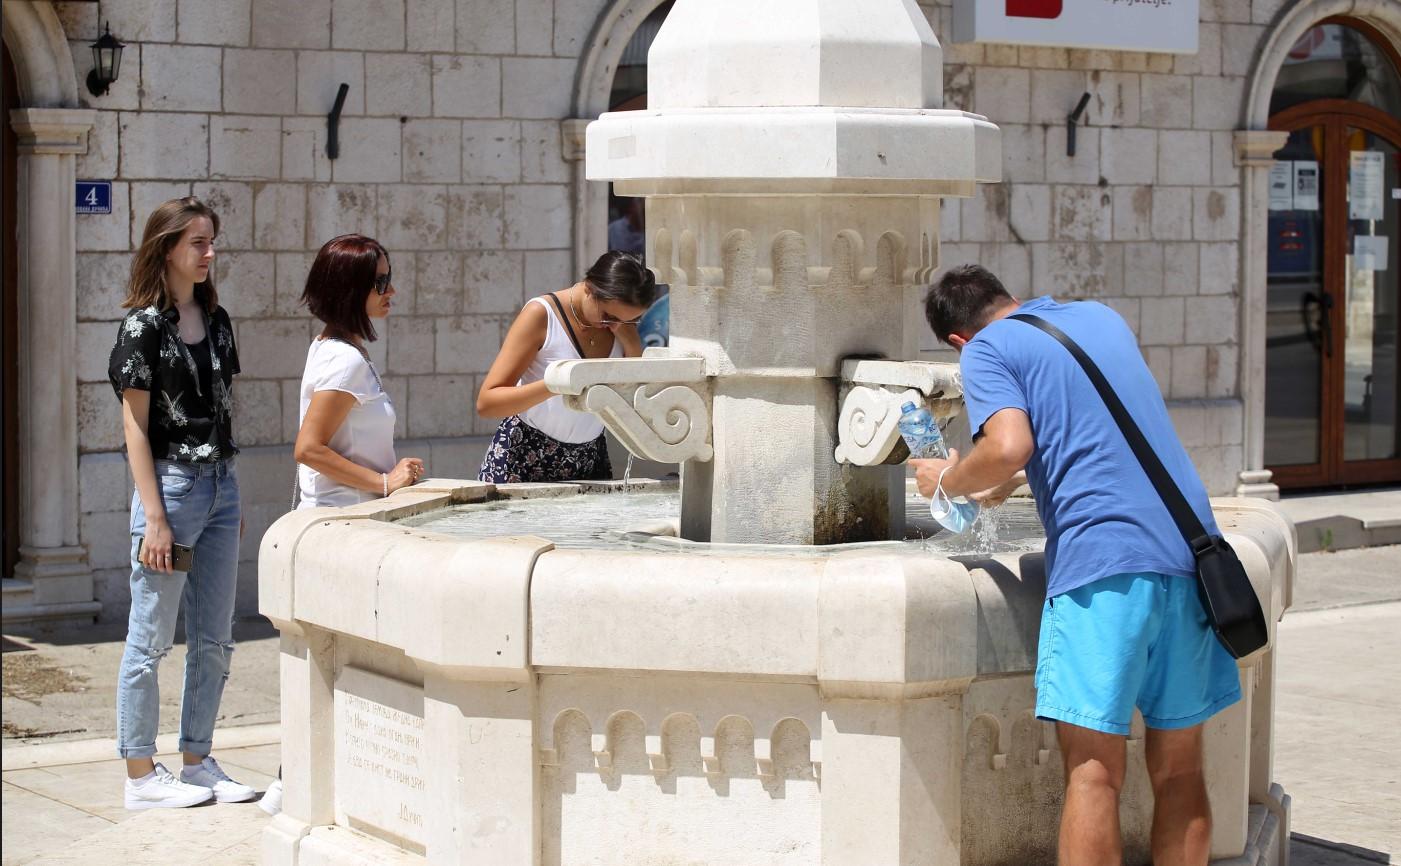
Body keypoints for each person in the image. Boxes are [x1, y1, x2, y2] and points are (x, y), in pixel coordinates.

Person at [915, 264, 1240, 866]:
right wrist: (1007, 481)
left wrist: (949, 481)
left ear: (957, 340)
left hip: (1105, 567)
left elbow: (1010, 444)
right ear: (1006, 296)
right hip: (1191, 556)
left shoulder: (985, 349)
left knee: (1094, 775)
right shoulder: (1099, 318)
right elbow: (1089, 433)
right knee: (1180, 771)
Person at [257, 235, 426, 817]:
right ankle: (293, 786)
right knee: (334, 661)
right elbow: (309, 448)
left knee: (328, 661)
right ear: (351, 290)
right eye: (380, 282)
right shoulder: (343, 359)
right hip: (337, 529)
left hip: (344, 526)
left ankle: (295, 782)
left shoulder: (337, 348)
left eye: (389, 277)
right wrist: (383, 483)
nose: (391, 291)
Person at [108, 197, 256, 810]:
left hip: (220, 486)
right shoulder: (142, 326)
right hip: (169, 489)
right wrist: (157, 520)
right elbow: (135, 429)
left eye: (211, 240)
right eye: (198, 241)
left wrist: (230, 495)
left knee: (215, 638)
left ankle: (197, 761)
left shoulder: (217, 319)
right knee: (150, 640)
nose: (209, 252)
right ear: (166, 246)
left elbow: (220, 409)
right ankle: (141, 774)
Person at [476, 251, 656, 483]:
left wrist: (632, 344)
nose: (615, 326)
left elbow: (633, 399)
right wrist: (556, 383)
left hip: (590, 460)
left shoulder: (623, 328)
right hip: (522, 459)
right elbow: (487, 403)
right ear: (589, 288)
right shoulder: (541, 315)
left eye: (629, 320)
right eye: (608, 316)